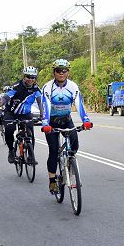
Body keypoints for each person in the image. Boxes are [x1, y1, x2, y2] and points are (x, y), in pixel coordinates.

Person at [41, 59, 93, 194]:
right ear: (54, 72)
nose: (61, 73)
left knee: (74, 144)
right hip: (51, 122)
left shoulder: (73, 86)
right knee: (53, 150)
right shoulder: (47, 87)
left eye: (64, 70)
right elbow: (45, 105)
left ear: (68, 72)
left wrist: (86, 120)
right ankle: (52, 181)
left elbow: (79, 104)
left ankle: (70, 163)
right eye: (58, 70)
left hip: (66, 120)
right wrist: (45, 123)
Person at [0, 66, 42, 164]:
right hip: (11, 113)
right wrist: (1, 102)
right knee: (9, 130)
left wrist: (42, 115)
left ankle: (31, 156)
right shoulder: (16, 86)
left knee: (30, 133)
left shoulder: (36, 89)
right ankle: (11, 151)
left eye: (33, 77)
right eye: (28, 77)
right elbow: (6, 96)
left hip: (25, 114)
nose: (30, 79)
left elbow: (40, 102)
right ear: (24, 76)